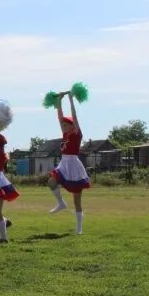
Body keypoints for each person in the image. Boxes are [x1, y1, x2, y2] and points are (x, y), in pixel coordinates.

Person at [48, 92, 90, 234]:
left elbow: (75, 116)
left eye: (67, 124)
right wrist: (59, 101)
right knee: (52, 181)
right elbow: (59, 117)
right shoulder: (65, 134)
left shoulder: (77, 134)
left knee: (77, 200)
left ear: (73, 126)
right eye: (64, 124)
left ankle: (79, 228)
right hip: (64, 163)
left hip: (74, 165)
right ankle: (61, 203)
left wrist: (71, 100)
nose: (64, 125)